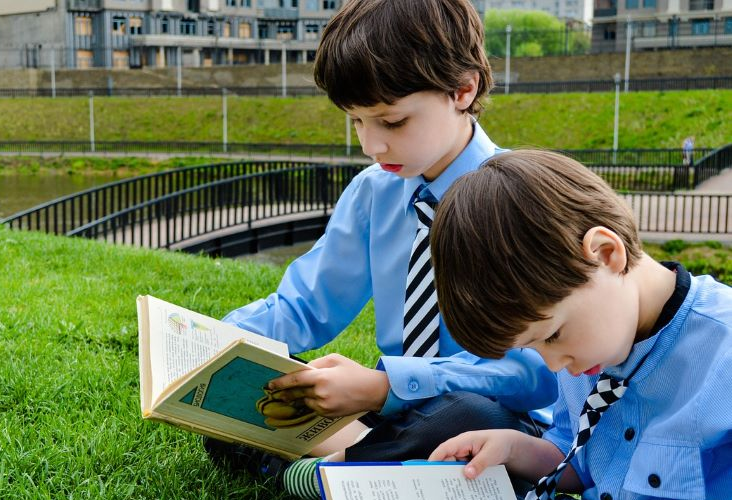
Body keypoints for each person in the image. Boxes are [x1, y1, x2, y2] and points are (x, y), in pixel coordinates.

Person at [206, 0, 558, 498]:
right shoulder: (375, 191)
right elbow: (306, 306)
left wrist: (386, 385)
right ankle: (360, 467)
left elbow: (537, 374)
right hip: (392, 408)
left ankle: (317, 469)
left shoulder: (522, 201)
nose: (371, 145)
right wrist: (218, 341)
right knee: (243, 399)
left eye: (391, 123)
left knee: (463, 418)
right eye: (355, 121)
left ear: (463, 89)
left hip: (491, 417)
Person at [428, 149, 732, 499]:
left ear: (605, 253)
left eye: (553, 335)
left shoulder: (723, 354)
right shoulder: (589, 357)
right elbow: (578, 459)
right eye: (533, 347)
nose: (554, 363)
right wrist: (511, 449)